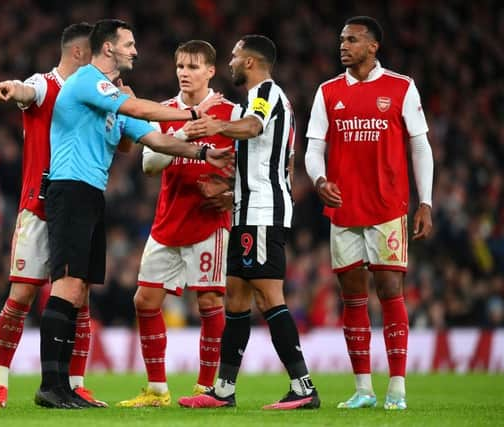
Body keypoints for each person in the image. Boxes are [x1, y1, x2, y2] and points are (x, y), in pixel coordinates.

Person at [36, 19, 233, 409]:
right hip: (69, 189)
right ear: (107, 48)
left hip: (91, 194)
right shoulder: (88, 79)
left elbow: (153, 139)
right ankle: (51, 385)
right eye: (128, 43)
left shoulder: (111, 95)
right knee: (66, 286)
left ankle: (64, 386)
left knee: (78, 291)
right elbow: (140, 108)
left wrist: (203, 153)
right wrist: (194, 115)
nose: (135, 51)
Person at [178, 35, 320, 410]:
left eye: (235, 56)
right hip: (245, 211)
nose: (231, 61)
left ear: (252, 62)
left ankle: (303, 387)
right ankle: (223, 390)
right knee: (237, 298)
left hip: (263, 212)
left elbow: (254, 128)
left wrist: (212, 126)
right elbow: (254, 152)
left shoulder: (266, 94)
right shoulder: (251, 101)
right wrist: (226, 184)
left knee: (268, 296)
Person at [304, 16, 434, 410]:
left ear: (373, 46)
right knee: (352, 296)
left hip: (387, 207)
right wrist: (319, 179)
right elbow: (313, 148)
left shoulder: (400, 86)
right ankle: (363, 389)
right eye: (342, 39)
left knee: (390, 291)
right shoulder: (328, 91)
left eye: (352, 40)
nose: (343, 46)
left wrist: (425, 201)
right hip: (344, 209)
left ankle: (397, 389)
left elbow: (420, 146)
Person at [0, 23, 106, 409]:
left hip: (76, 205)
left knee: (79, 298)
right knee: (21, 296)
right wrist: (12, 87)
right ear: (80, 54)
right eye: (99, 52)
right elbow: (27, 90)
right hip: (38, 207)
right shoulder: (45, 84)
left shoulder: (95, 94)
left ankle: (75, 382)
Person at [116, 40, 234, 408]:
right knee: (145, 301)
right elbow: (149, 165)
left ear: (211, 71)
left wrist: (232, 194)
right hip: (168, 221)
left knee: (210, 300)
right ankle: (157, 389)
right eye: (180, 65)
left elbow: (247, 166)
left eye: (193, 66)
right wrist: (185, 131)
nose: (184, 72)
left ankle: (205, 388)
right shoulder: (163, 111)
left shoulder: (231, 113)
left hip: (209, 221)